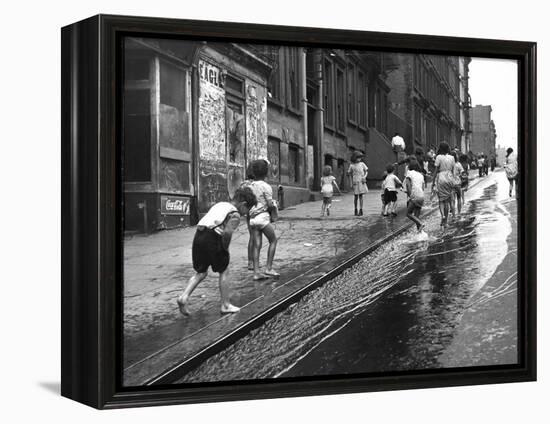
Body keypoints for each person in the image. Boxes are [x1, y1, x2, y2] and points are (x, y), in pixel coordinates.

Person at [177, 187, 257, 315]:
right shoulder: (235, 214)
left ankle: (184, 297)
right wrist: (224, 249)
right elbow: (227, 233)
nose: (246, 214)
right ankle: (225, 305)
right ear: (243, 204)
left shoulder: (221, 204)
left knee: (201, 272)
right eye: (247, 210)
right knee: (224, 270)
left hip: (199, 235)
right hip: (212, 238)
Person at [249, 159, 280, 280]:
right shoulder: (266, 187)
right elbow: (270, 204)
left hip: (252, 219)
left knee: (257, 245)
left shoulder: (250, 186)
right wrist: (274, 205)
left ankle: (256, 272)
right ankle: (269, 268)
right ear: (266, 173)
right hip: (263, 218)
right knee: (273, 240)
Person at [432, 142, 456, 228]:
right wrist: (454, 182)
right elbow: (454, 171)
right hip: (449, 177)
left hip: (441, 178)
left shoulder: (438, 157)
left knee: (441, 200)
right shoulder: (452, 158)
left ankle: (443, 216)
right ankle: (445, 222)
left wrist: (433, 182)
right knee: (447, 200)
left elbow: (436, 170)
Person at [405, 160, 426, 232]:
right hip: (421, 196)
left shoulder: (409, 173)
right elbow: (423, 187)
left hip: (414, 195)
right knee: (416, 216)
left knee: (408, 213)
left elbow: (408, 185)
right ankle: (420, 233)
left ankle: (420, 223)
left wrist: (410, 196)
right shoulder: (421, 175)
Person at [347, 151, 369, 216]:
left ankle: (361, 209)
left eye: (360, 158)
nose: (359, 159)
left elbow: (366, 171)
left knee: (361, 196)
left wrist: (364, 176)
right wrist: (350, 181)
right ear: (354, 158)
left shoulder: (362, 164)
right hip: (355, 181)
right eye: (358, 158)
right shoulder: (352, 165)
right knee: (356, 196)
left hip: (361, 181)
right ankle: (355, 209)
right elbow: (349, 173)